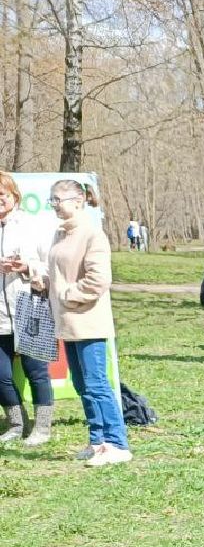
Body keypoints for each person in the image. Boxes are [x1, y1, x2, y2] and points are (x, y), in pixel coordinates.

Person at [28, 180, 131, 466]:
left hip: (89, 321)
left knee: (97, 385)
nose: (54, 205)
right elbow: (61, 275)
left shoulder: (92, 234)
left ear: (78, 201)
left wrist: (66, 294)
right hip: (67, 323)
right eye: (51, 200)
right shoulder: (60, 233)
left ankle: (117, 443)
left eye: (58, 199)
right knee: (81, 384)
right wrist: (44, 282)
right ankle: (97, 441)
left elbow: (98, 280)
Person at [0, 171, 55, 446]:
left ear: (15, 196)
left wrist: (27, 267)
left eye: (2, 195)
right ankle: (16, 423)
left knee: (36, 372)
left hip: (29, 306)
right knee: (1, 376)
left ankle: (42, 428)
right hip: (0, 315)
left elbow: (52, 265)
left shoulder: (32, 225)